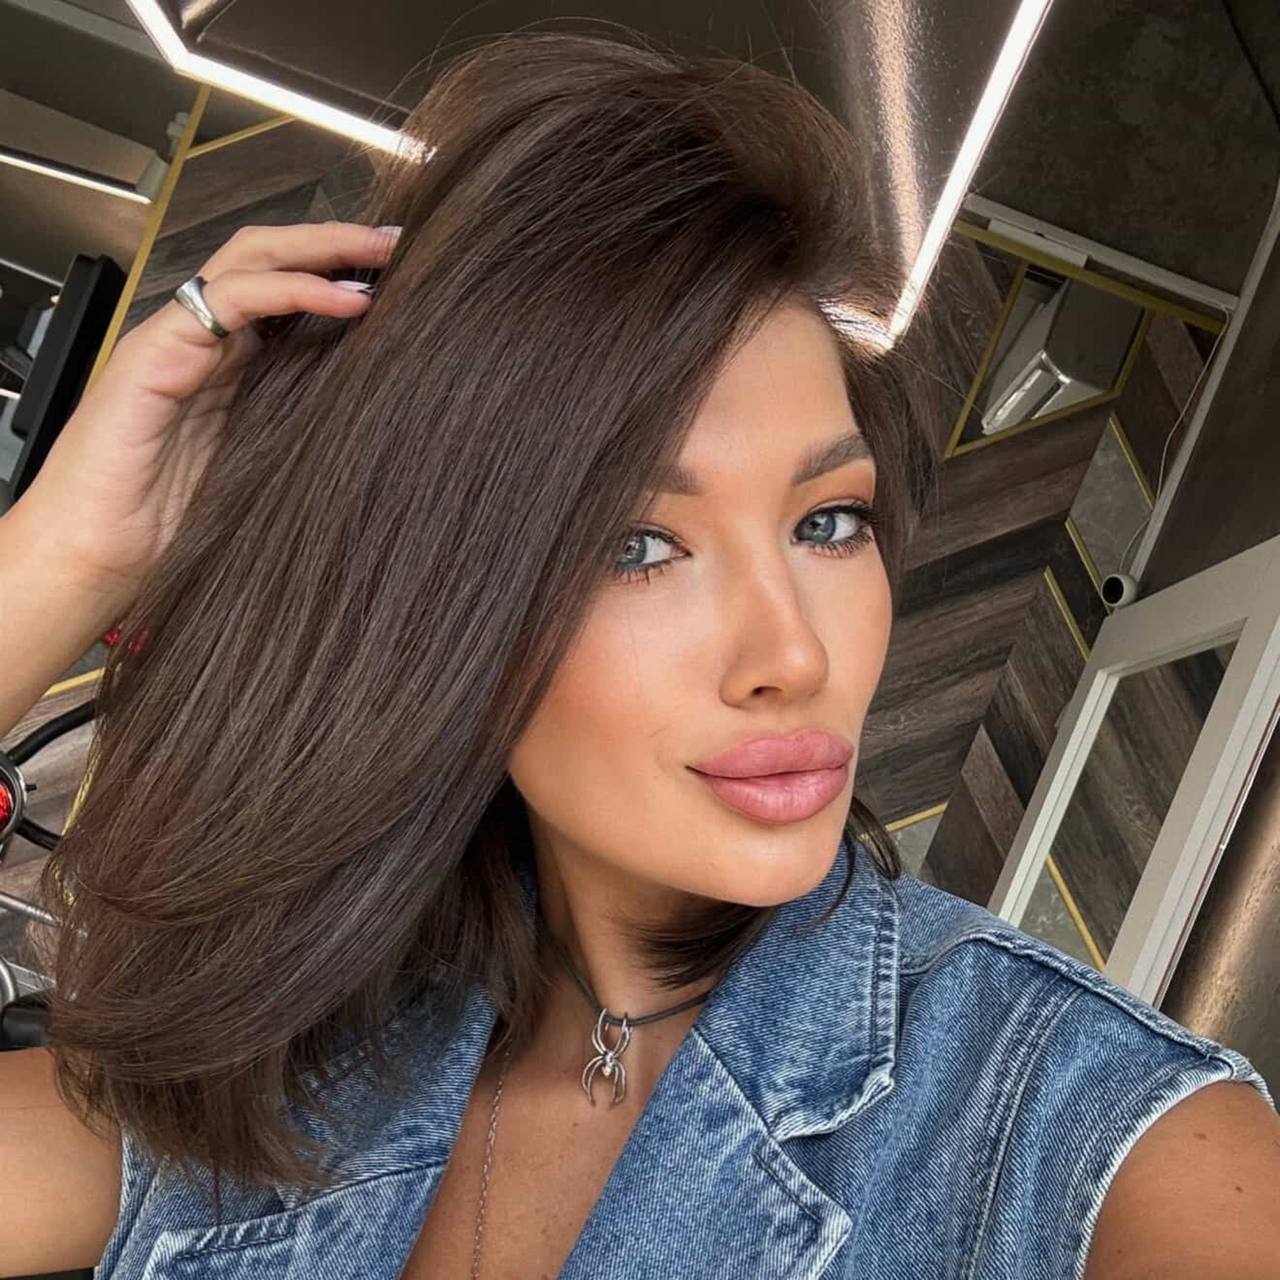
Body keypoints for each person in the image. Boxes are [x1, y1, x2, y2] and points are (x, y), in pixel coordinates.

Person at [0, 28, 1277, 1280]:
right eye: (637, 544)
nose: (792, 653)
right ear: (430, 610)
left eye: (826, 521)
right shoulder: (277, 1074)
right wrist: (69, 549)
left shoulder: (1097, 1144)